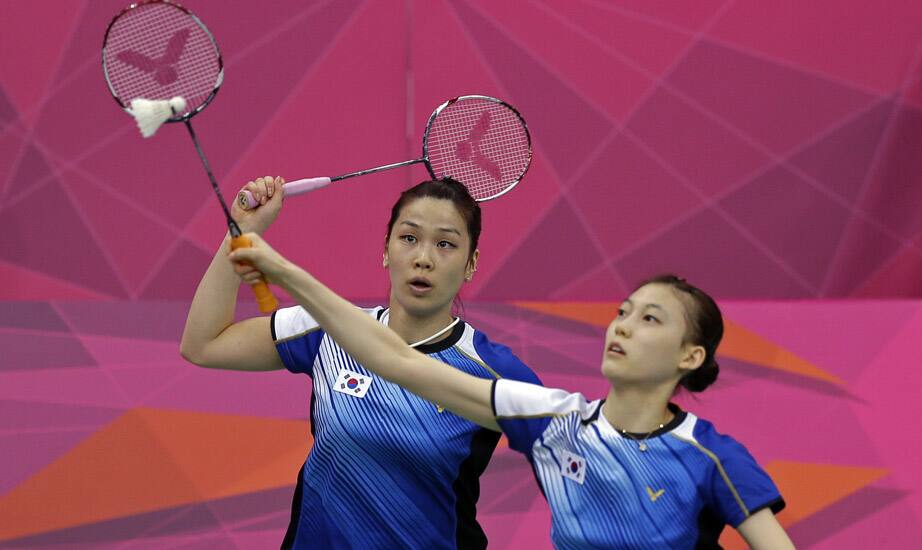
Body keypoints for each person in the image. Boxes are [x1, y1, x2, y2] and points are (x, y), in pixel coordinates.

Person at [226, 234, 795, 550]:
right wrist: (284, 270)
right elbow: (392, 358)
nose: (622, 326)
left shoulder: (711, 456)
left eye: (650, 320)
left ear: (689, 357)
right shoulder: (554, 424)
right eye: (622, 312)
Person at [181, 176, 542, 549]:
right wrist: (240, 232)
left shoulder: (493, 372)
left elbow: (581, 463)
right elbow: (204, 344)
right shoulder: (328, 329)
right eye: (409, 238)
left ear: (471, 263)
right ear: (386, 249)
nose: (423, 258)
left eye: (446, 244)